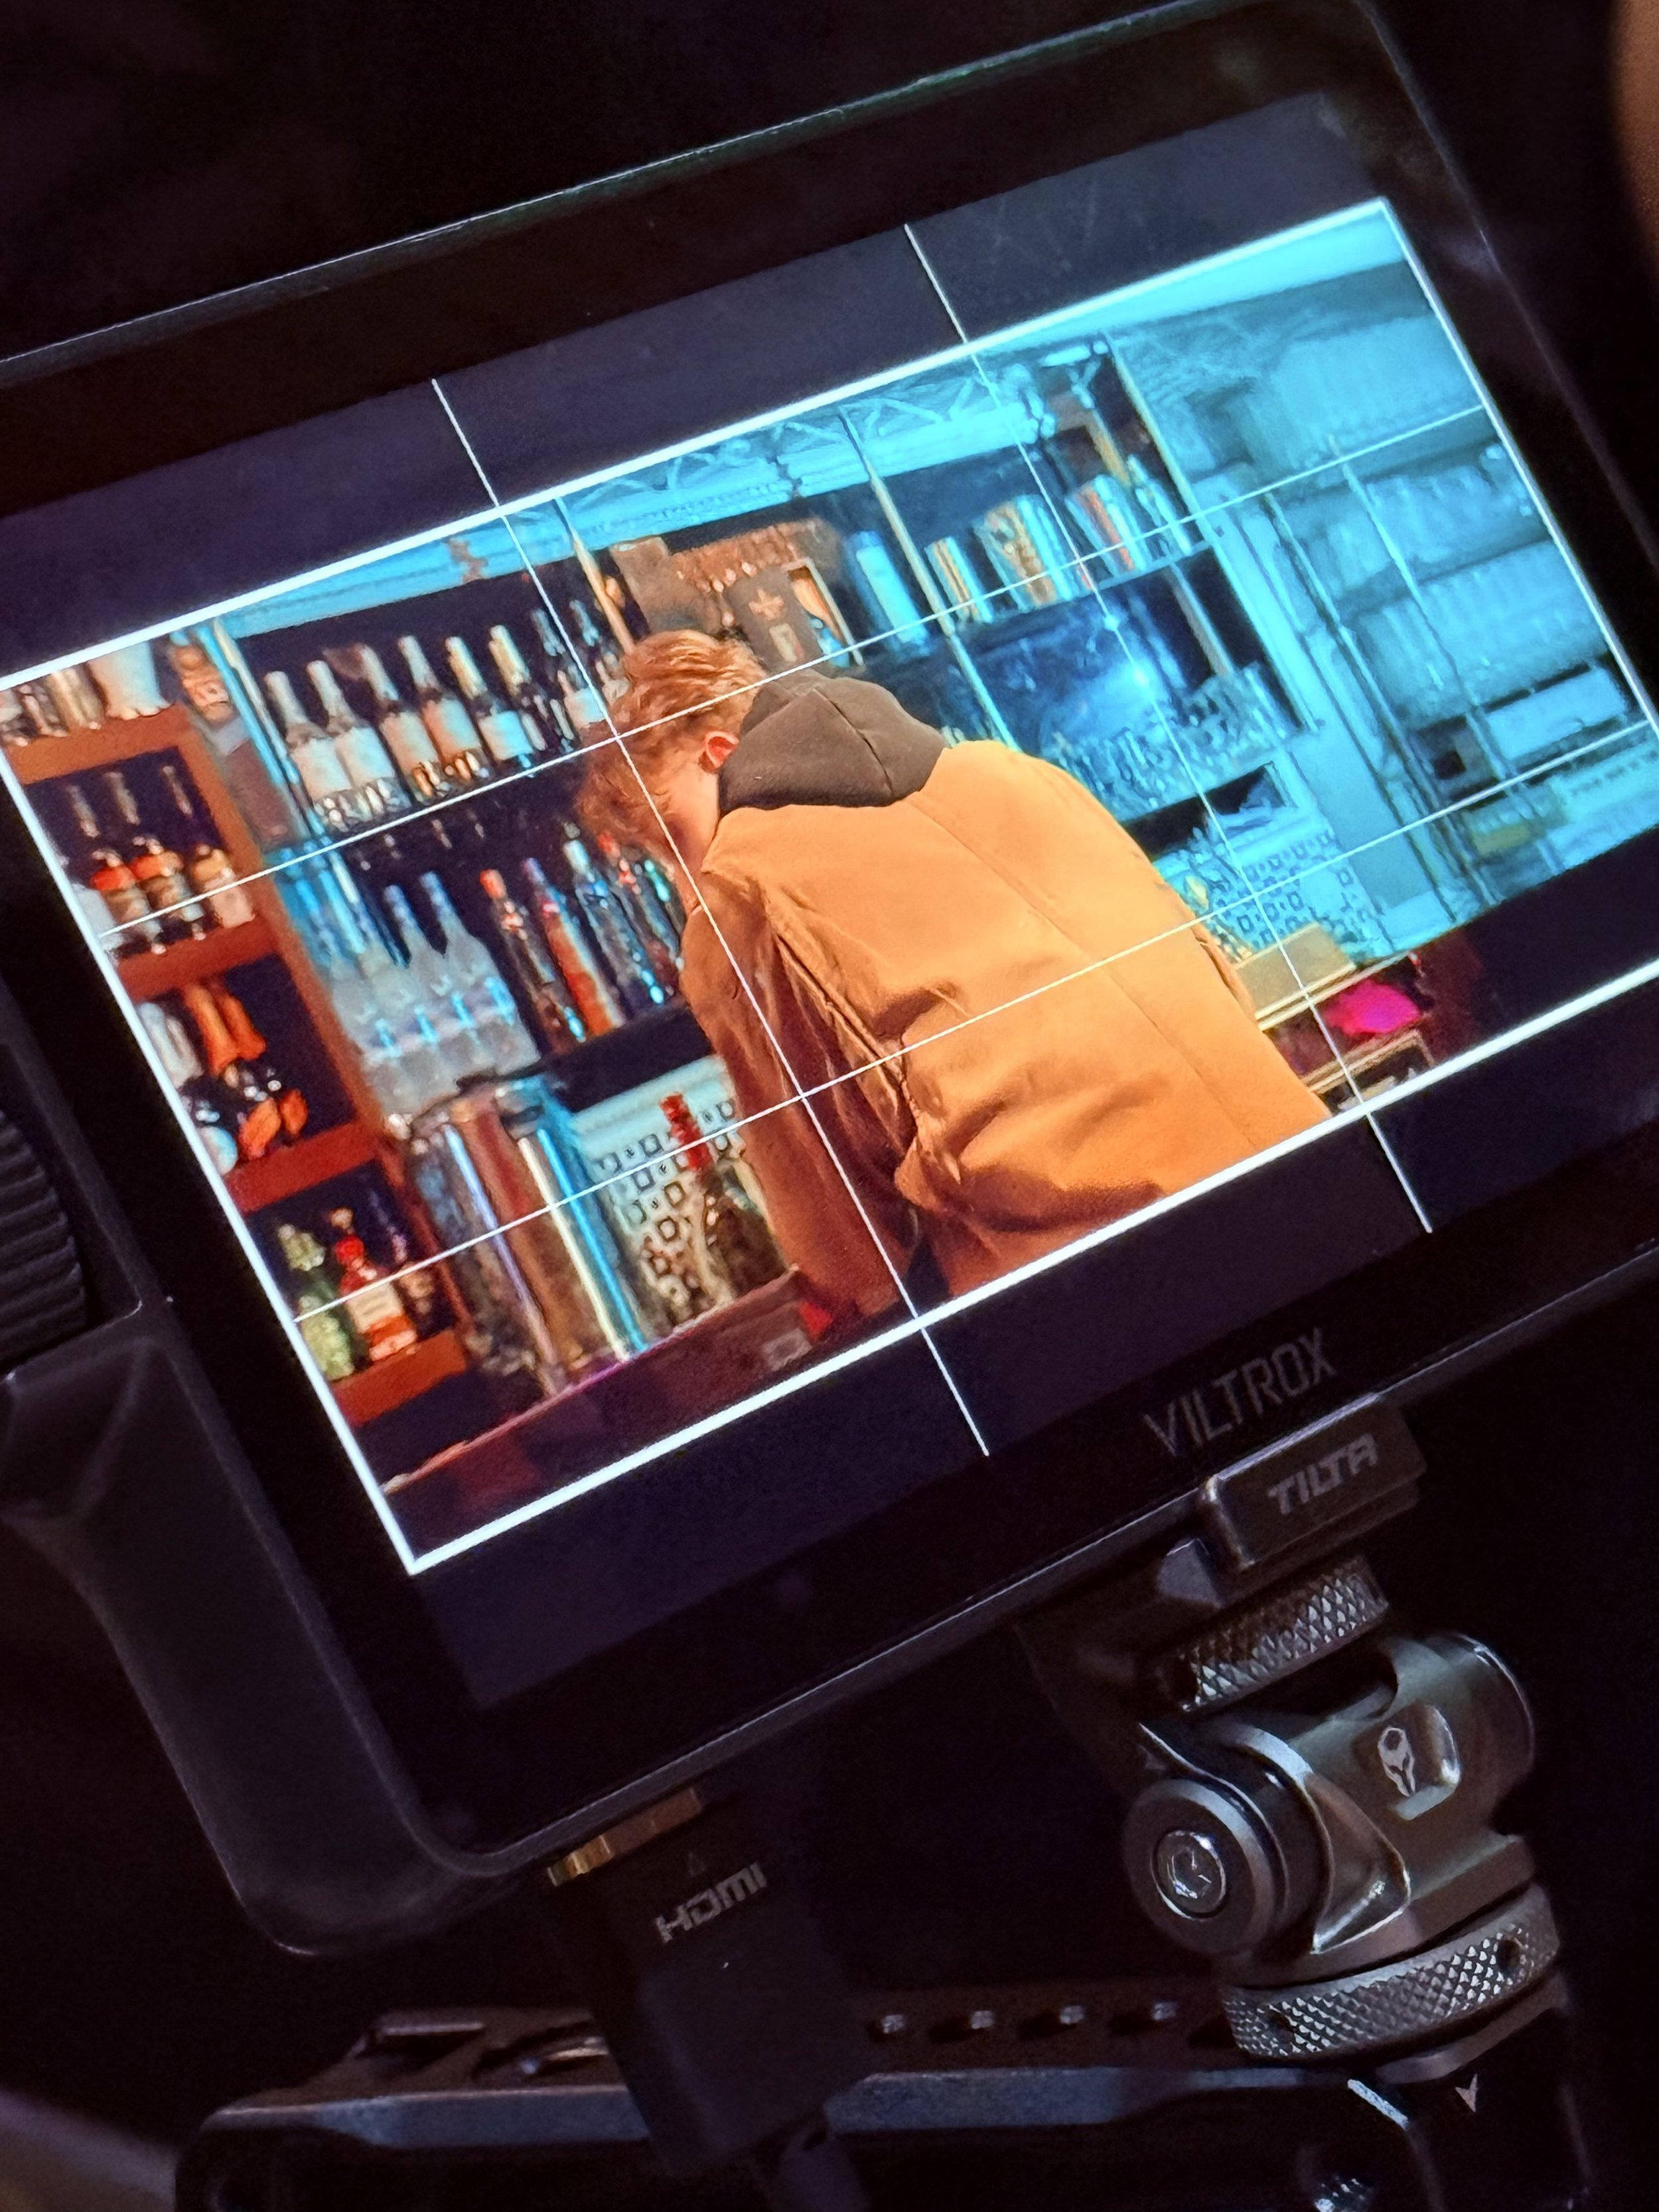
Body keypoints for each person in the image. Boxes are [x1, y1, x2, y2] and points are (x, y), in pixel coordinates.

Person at [578, 631, 1328, 1324]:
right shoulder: (1012, 770)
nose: (686, 884)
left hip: (1125, 1295)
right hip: (1314, 1178)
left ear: (720, 752)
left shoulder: (742, 903)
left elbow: (850, 1258)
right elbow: (1218, 980)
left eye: (675, 842)